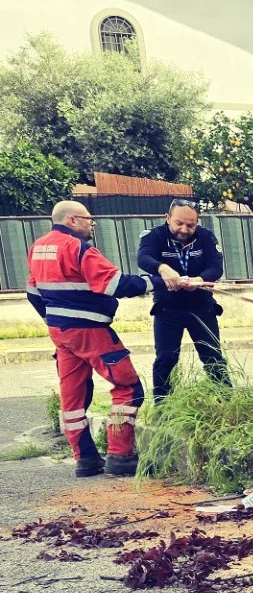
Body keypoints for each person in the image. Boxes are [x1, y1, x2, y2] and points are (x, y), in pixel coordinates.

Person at [26, 200, 153, 478]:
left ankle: (85, 460)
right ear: (72, 220)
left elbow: (33, 294)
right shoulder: (78, 248)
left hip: (61, 334)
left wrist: (54, 321)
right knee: (128, 388)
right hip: (91, 331)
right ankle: (120, 456)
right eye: (88, 218)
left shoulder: (37, 248)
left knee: (73, 398)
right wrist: (155, 282)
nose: (92, 223)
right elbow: (115, 284)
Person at [137, 200, 229, 401]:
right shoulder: (155, 236)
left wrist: (199, 280)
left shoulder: (205, 236)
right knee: (166, 359)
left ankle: (227, 400)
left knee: (213, 357)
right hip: (167, 309)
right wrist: (162, 268)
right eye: (179, 223)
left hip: (202, 307)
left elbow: (216, 267)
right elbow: (143, 257)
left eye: (190, 225)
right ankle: (163, 407)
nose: (184, 229)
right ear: (167, 218)